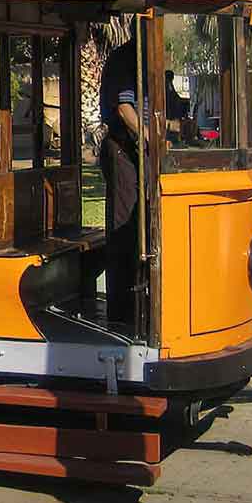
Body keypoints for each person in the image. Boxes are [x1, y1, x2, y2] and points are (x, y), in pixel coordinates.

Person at [99, 37, 144, 327]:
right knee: (124, 225)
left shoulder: (145, 59)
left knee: (140, 224)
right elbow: (125, 109)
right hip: (123, 150)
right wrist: (146, 135)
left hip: (137, 151)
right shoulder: (125, 59)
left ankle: (139, 302)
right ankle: (121, 312)